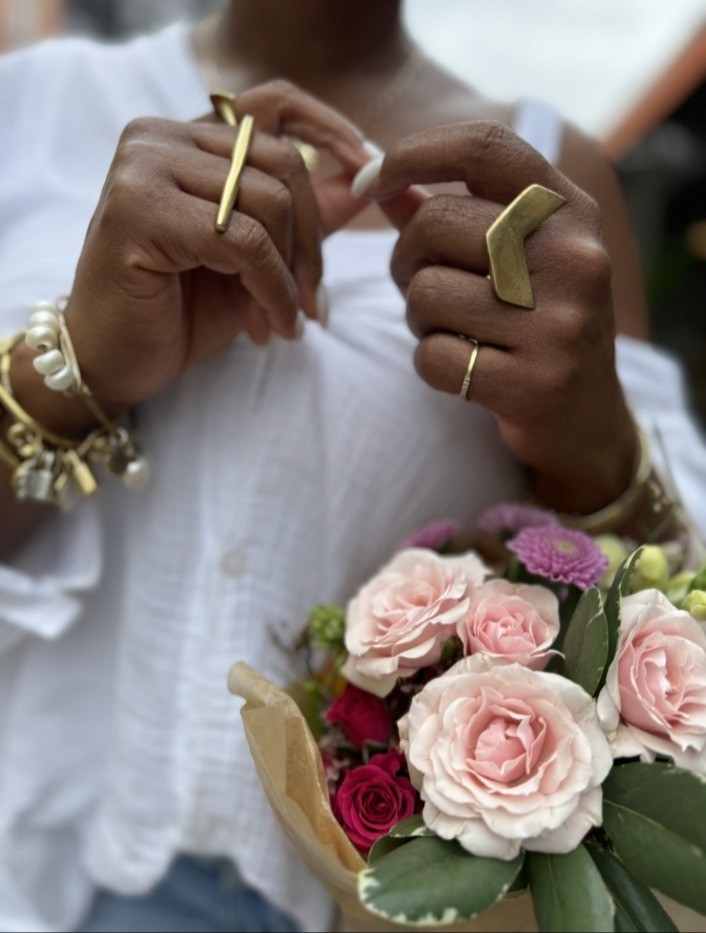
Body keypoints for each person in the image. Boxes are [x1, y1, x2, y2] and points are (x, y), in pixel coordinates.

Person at [0, 2, 703, 931]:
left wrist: (590, 439)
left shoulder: (552, 175)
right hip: (41, 861)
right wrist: (81, 361)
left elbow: (672, 607)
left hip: (387, 898)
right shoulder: (35, 107)